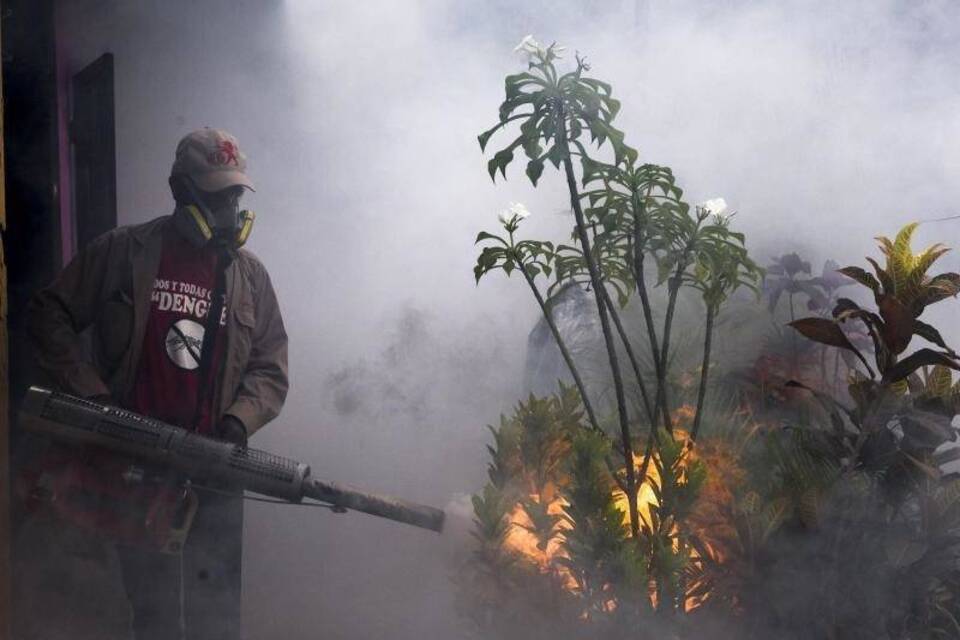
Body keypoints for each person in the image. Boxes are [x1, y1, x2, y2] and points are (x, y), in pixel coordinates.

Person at [24, 127, 289, 639]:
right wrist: (92, 395)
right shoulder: (124, 252)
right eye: (215, 196)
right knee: (154, 615)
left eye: (234, 196)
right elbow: (47, 314)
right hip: (137, 470)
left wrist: (239, 421)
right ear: (181, 192)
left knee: (218, 617)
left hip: (216, 474)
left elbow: (271, 364)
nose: (228, 210)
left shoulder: (250, 276)